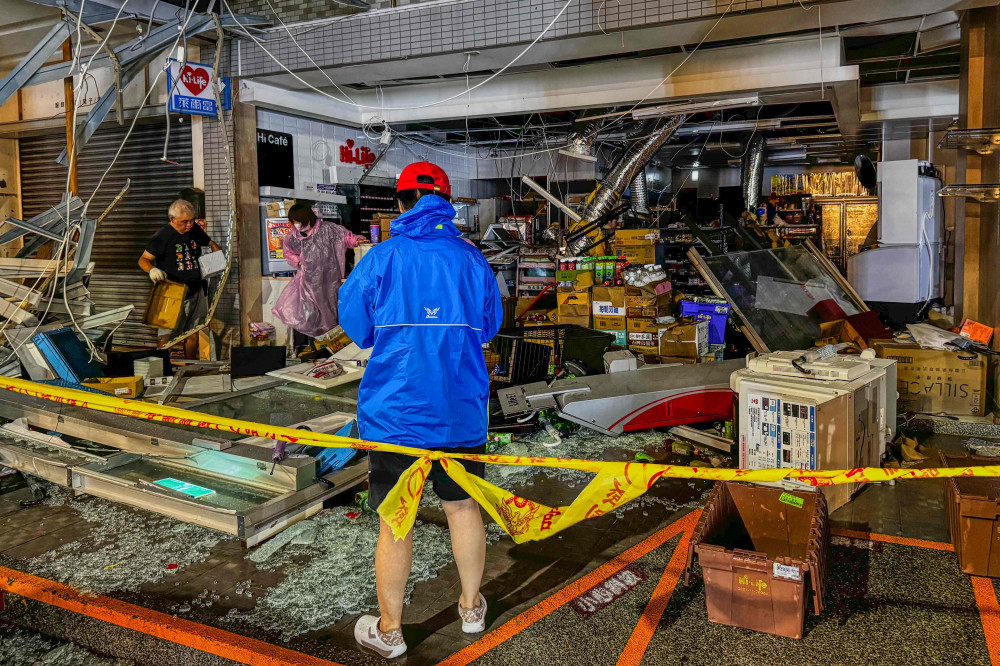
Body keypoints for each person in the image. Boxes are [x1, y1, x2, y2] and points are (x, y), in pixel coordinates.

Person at [339, 162, 502, 659]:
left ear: (402, 202)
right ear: (446, 203)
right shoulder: (473, 261)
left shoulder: (380, 258)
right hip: (460, 413)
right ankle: (472, 609)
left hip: (396, 414)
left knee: (396, 521)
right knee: (463, 507)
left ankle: (390, 632)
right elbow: (491, 326)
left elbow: (355, 326)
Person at [272, 202, 361, 349]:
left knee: (330, 315)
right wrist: (299, 262)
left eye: (298, 221)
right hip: (307, 283)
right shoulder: (293, 237)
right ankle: (312, 348)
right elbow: (288, 252)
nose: (297, 225)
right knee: (308, 316)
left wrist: (357, 241)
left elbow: (345, 237)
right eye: (294, 222)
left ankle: (332, 348)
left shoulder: (328, 229)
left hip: (329, 282)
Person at [139, 199, 220, 359]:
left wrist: (217, 257)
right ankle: (162, 367)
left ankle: (190, 365)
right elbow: (143, 260)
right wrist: (152, 270)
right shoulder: (162, 236)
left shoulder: (194, 230)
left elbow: (210, 243)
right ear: (172, 219)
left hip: (196, 289)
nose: (189, 225)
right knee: (166, 334)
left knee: (193, 331)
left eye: (191, 220)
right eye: (185, 222)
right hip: (172, 291)